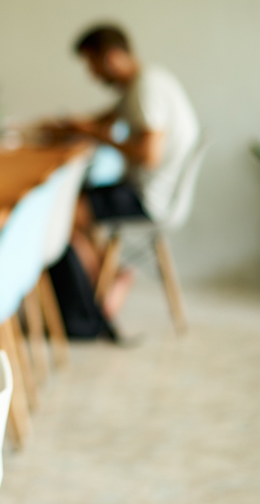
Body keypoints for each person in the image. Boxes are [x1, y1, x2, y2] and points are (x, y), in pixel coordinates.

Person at [48, 23, 199, 318]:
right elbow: (104, 119)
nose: (91, 74)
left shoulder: (147, 88)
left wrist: (99, 135)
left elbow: (148, 154)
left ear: (112, 58)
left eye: (91, 64)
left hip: (150, 197)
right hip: (150, 190)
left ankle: (100, 295)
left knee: (63, 208)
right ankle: (109, 277)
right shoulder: (143, 84)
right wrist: (73, 127)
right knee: (76, 199)